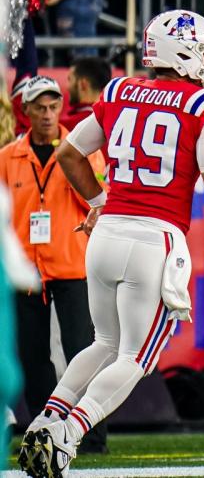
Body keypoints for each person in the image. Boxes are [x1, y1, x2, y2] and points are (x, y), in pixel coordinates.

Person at [17, 10, 204, 478]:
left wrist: (99, 201)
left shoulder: (121, 90)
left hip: (106, 234)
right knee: (135, 357)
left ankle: (46, 419)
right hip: (154, 238)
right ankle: (68, 434)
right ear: (180, 51)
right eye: (202, 50)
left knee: (103, 342)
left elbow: (68, 152)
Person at [1, 76, 109, 459]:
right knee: (32, 358)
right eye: (39, 108)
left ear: (61, 108)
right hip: (28, 273)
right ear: (25, 111)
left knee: (84, 350)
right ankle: (44, 429)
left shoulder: (79, 151)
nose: (47, 115)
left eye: (53, 107)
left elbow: (100, 199)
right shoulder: (7, 157)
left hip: (73, 266)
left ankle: (91, 435)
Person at [63, 58, 114, 131]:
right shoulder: (114, 121)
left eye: (70, 79)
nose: (67, 87)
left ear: (83, 84)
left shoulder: (65, 127)